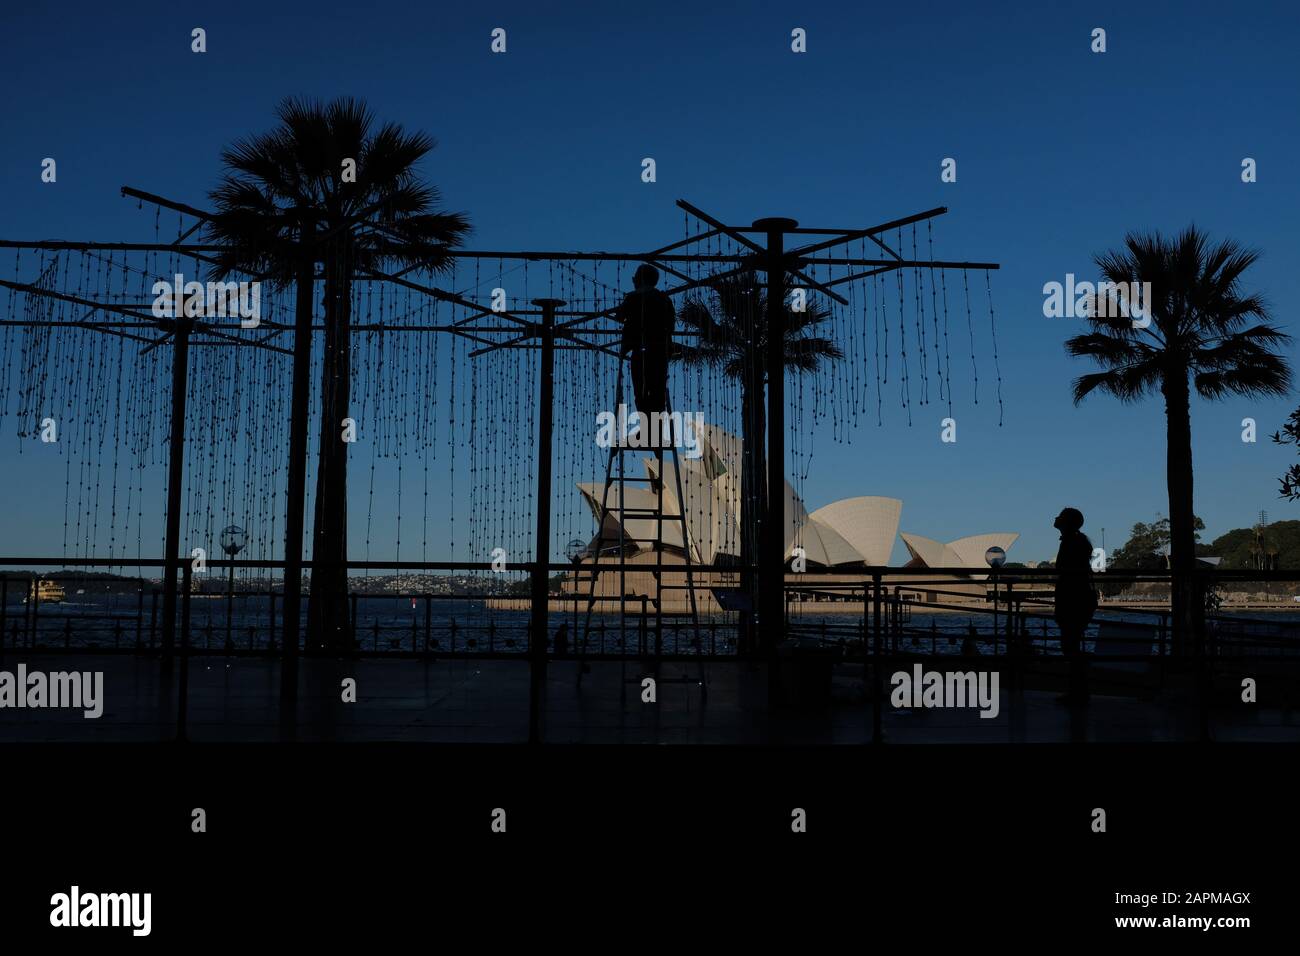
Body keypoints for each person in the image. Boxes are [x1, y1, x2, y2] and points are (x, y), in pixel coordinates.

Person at [617, 264, 675, 418]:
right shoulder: (664, 299)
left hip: (640, 351)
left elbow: (619, 316)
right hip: (660, 352)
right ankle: (655, 429)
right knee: (657, 392)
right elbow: (671, 326)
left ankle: (647, 428)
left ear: (639, 279)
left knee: (641, 392)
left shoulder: (632, 298)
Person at [1052, 507, 1098, 704]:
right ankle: (1078, 689)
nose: (1056, 517)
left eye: (1061, 516)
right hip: (1079, 599)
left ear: (1067, 523)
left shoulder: (1072, 542)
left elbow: (1066, 570)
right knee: (1071, 643)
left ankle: (1078, 691)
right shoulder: (1078, 541)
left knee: (1070, 644)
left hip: (1073, 600)